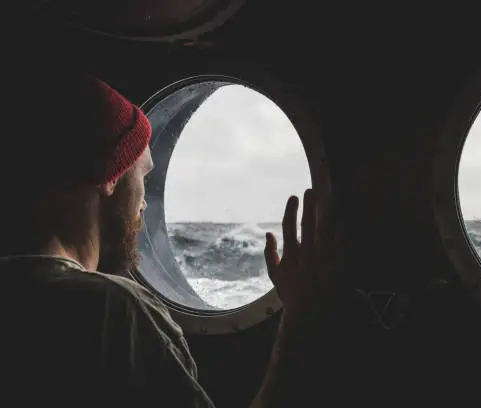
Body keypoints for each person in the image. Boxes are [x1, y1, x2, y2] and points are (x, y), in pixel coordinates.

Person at [0, 71, 340, 407]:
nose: (145, 202)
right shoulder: (113, 311)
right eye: (144, 174)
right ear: (109, 176)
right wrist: (298, 314)